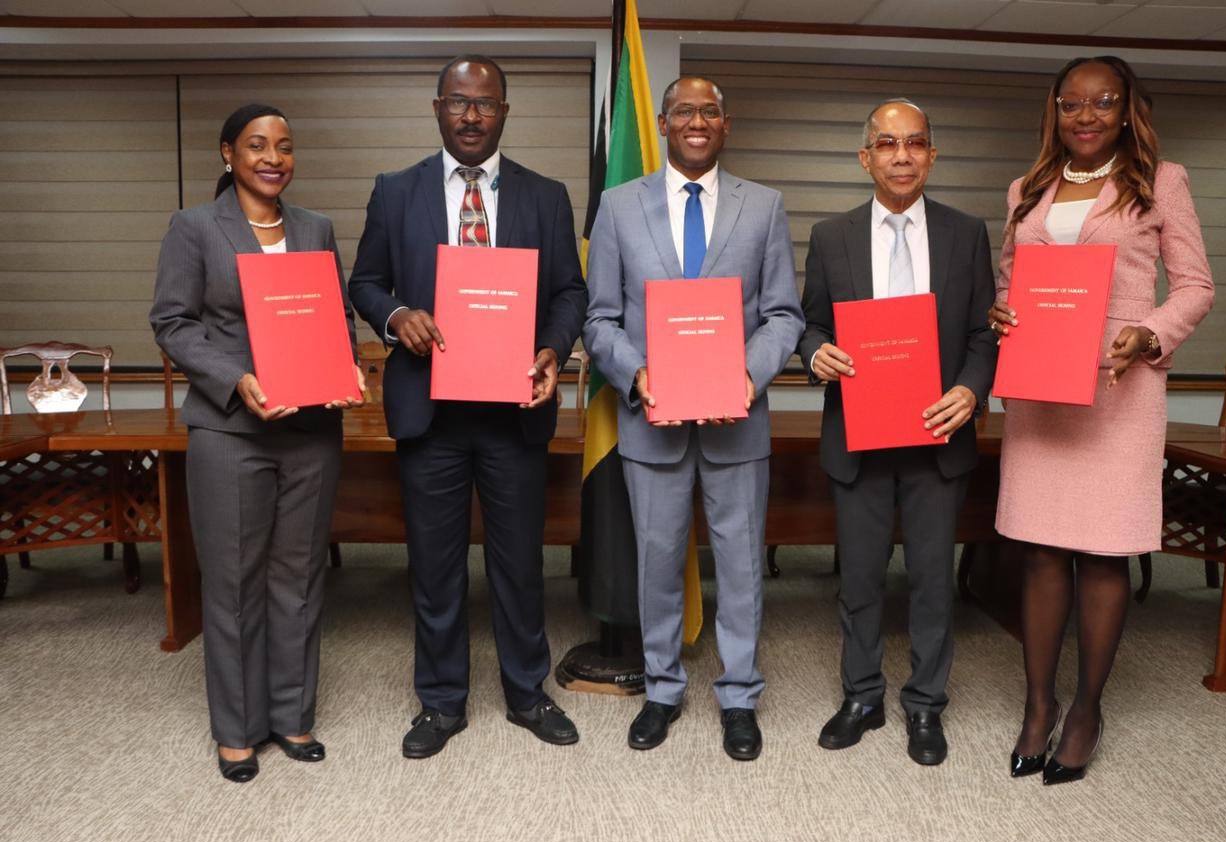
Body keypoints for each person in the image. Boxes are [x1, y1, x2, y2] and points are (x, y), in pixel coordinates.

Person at [347, 55, 587, 758]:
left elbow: (571, 291)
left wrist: (553, 347)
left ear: (505, 112)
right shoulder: (396, 191)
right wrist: (395, 318)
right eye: (459, 102)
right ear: (437, 109)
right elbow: (365, 280)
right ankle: (442, 702)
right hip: (430, 411)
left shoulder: (546, 195)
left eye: (485, 104)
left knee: (520, 562)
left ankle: (526, 692)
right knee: (435, 562)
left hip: (514, 409)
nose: (472, 115)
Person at [989, 56, 1214, 785]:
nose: (1086, 116)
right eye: (1071, 104)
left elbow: (1196, 286)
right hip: (1040, 393)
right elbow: (1007, 281)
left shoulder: (1161, 181)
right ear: (1054, 110)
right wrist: (1001, 312)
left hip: (1118, 391)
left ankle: (1086, 709)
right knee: (1043, 552)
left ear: (1126, 111)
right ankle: (1037, 705)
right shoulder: (1025, 191)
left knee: (1104, 553)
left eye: (1103, 103)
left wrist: (1150, 332)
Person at [583, 76, 804, 761]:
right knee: (656, 563)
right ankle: (662, 688)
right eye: (685, 110)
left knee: (740, 565)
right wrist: (635, 373)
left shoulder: (763, 207)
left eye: (710, 110)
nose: (697, 120)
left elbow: (783, 315)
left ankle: (739, 696)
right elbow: (600, 318)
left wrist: (749, 372)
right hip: (652, 421)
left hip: (737, 421)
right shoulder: (619, 207)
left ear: (725, 123)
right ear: (664, 121)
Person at [150, 104, 364, 783]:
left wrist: (347, 363)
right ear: (227, 154)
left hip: (310, 434)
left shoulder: (315, 228)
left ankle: (291, 715)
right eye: (257, 146)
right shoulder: (193, 228)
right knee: (235, 582)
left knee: (298, 578)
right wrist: (234, 378)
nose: (273, 157)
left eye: (285, 146)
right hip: (231, 432)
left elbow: (337, 314)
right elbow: (173, 322)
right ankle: (237, 729)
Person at [798, 98, 997, 766]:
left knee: (931, 581)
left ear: (932, 155)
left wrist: (970, 388)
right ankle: (860, 696)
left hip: (937, 440)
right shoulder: (831, 235)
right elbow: (810, 322)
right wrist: (813, 350)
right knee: (858, 580)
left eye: (915, 143)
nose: (902, 156)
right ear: (866, 158)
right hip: (859, 435)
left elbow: (980, 333)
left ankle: (925, 706)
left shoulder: (967, 233)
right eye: (887, 144)